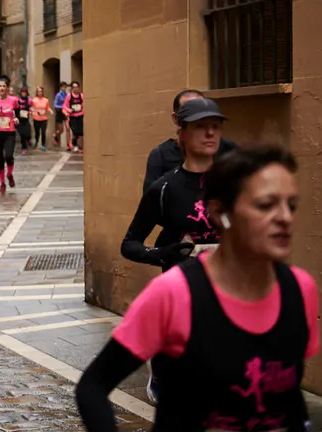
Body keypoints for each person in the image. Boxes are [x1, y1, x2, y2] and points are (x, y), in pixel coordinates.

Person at [76, 145, 319, 431]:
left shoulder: (300, 289)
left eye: (291, 205)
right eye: (265, 205)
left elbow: (288, 395)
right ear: (219, 212)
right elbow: (92, 387)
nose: (285, 218)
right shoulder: (173, 294)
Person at [120, 97, 228, 403]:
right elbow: (129, 244)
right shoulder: (165, 189)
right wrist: (163, 254)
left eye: (215, 127)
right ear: (181, 134)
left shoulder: (235, 184)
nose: (210, 134)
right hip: (181, 291)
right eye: (200, 127)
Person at [143, 89, 238, 192]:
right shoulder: (160, 158)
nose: (210, 133)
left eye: (215, 126)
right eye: (199, 125)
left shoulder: (230, 150)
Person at [62, 80, 84, 153]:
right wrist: (69, 110)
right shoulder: (69, 96)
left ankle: (76, 146)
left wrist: (82, 110)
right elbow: (64, 106)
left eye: (77, 87)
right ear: (72, 88)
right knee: (75, 131)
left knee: (81, 133)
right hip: (72, 116)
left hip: (80, 116)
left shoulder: (81, 96)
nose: (76, 89)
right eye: (74, 87)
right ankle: (73, 144)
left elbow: (84, 105)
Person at [31, 86, 53, 151]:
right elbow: (32, 108)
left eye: (41, 91)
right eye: (38, 91)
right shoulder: (34, 100)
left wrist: (50, 111)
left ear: (42, 92)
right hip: (36, 118)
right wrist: (32, 112)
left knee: (43, 132)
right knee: (37, 132)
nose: (39, 92)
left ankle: (43, 145)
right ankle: (36, 141)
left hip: (44, 118)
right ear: (36, 92)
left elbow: (47, 107)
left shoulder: (46, 100)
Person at [16, 87, 34, 155]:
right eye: (22, 92)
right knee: (22, 134)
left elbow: (32, 108)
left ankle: (28, 140)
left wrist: (30, 112)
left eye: (25, 92)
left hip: (26, 119)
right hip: (19, 120)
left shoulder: (29, 100)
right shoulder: (18, 100)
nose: (23, 94)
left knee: (28, 132)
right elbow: (15, 108)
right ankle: (24, 148)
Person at [52, 81, 70, 148]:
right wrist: (62, 106)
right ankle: (55, 135)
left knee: (67, 128)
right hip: (59, 112)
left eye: (65, 87)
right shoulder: (58, 95)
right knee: (61, 130)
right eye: (63, 87)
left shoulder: (67, 94)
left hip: (65, 112)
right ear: (60, 87)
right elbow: (55, 105)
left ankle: (68, 145)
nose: (64, 88)